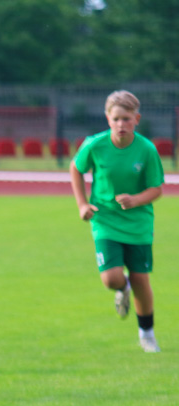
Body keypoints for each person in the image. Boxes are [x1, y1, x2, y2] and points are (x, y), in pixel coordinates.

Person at [70, 90, 164, 353]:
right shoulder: (94, 145)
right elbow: (76, 169)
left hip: (138, 225)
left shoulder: (146, 149)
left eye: (127, 119)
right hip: (106, 220)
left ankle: (147, 333)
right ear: (107, 119)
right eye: (116, 119)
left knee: (141, 281)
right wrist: (82, 204)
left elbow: (156, 189)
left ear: (137, 119)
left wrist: (135, 200)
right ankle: (123, 287)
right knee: (111, 279)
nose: (121, 124)